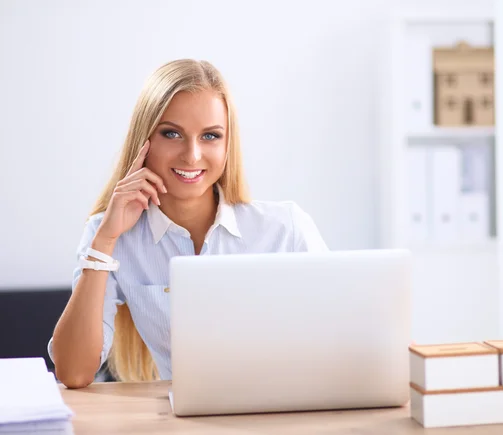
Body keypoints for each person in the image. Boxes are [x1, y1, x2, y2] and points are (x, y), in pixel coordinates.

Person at [49, 59, 328, 389]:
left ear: (227, 145)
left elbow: (339, 341)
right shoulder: (110, 235)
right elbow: (74, 373)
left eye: (210, 136)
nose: (192, 156)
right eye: (172, 134)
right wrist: (106, 238)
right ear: (144, 140)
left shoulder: (286, 229)